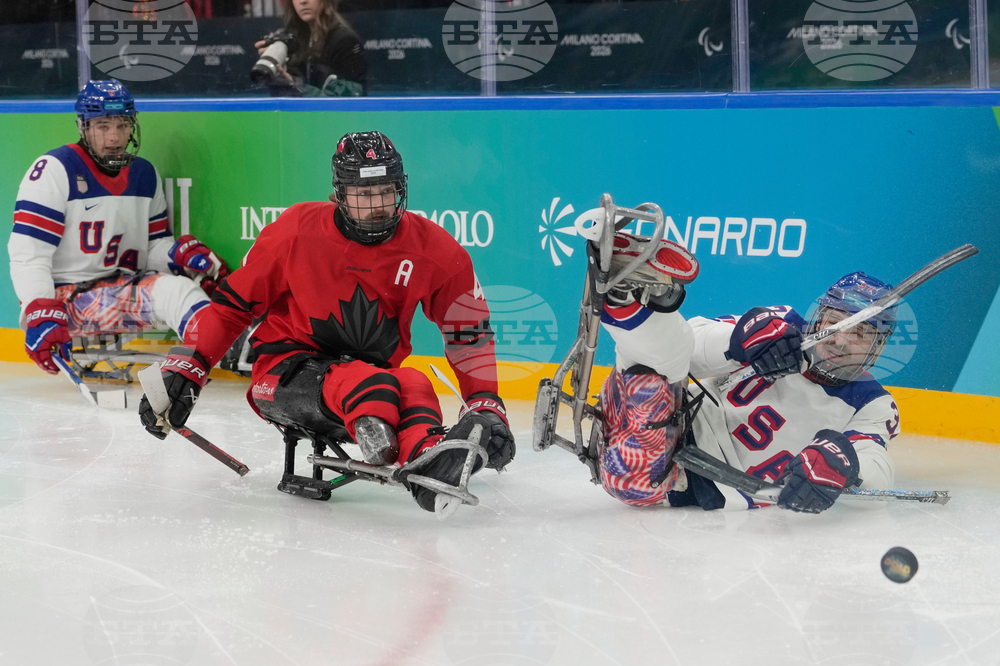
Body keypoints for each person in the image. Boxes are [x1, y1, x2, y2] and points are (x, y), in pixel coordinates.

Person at [138, 131, 515, 513]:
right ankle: (385, 430)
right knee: (372, 382)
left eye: (386, 191)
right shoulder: (296, 231)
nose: (377, 206)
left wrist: (485, 402)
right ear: (338, 195)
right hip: (283, 374)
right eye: (363, 195)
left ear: (401, 190)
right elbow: (230, 307)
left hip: (372, 379)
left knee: (413, 382)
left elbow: (469, 332)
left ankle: (431, 461)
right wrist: (189, 368)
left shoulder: (433, 249)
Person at [596, 236, 898, 513]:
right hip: (674, 414)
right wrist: (738, 340)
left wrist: (847, 462)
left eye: (860, 334)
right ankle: (629, 293)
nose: (840, 340)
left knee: (636, 478)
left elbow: (877, 465)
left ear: (878, 348)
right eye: (835, 322)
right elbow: (692, 343)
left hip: (687, 482)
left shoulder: (872, 403)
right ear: (819, 318)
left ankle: (628, 308)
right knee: (656, 371)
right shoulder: (781, 324)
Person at [9, 79, 228, 376]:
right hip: (67, 299)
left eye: (122, 125)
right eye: (102, 126)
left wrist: (179, 256)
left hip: (120, 284)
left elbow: (151, 248)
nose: (114, 137)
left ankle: (226, 346)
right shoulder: (53, 170)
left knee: (192, 282)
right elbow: (28, 255)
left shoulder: (144, 174)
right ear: (83, 127)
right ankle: (223, 348)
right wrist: (40, 311)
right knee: (174, 292)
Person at [254, 0, 367, 97]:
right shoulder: (293, 39)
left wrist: (296, 86)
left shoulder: (344, 40)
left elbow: (348, 102)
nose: (302, 1)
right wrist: (277, 62)